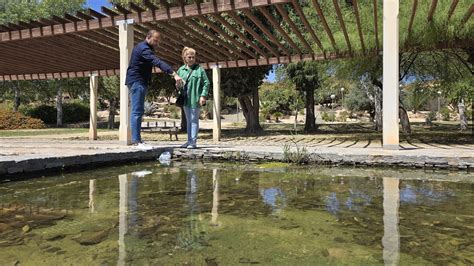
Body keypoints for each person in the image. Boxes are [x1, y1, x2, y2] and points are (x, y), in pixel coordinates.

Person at [125, 30, 183, 150]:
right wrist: (173, 73)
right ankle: (136, 142)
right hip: (137, 81)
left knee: (138, 111)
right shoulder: (143, 49)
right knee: (137, 111)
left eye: (158, 41)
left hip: (138, 81)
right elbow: (157, 62)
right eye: (155, 40)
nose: (157, 43)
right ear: (148, 37)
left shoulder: (145, 48)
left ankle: (138, 140)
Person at [177, 47, 210, 149]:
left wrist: (203, 95)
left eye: (193, 57)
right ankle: (189, 141)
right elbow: (178, 86)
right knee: (188, 120)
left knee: (194, 120)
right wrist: (178, 85)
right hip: (186, 99)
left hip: (195, 99)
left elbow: (206, 83)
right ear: (185, 57)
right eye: (189, 57)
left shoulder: (199, 70)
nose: (191, 59)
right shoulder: (181, 70)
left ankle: (193, 142)